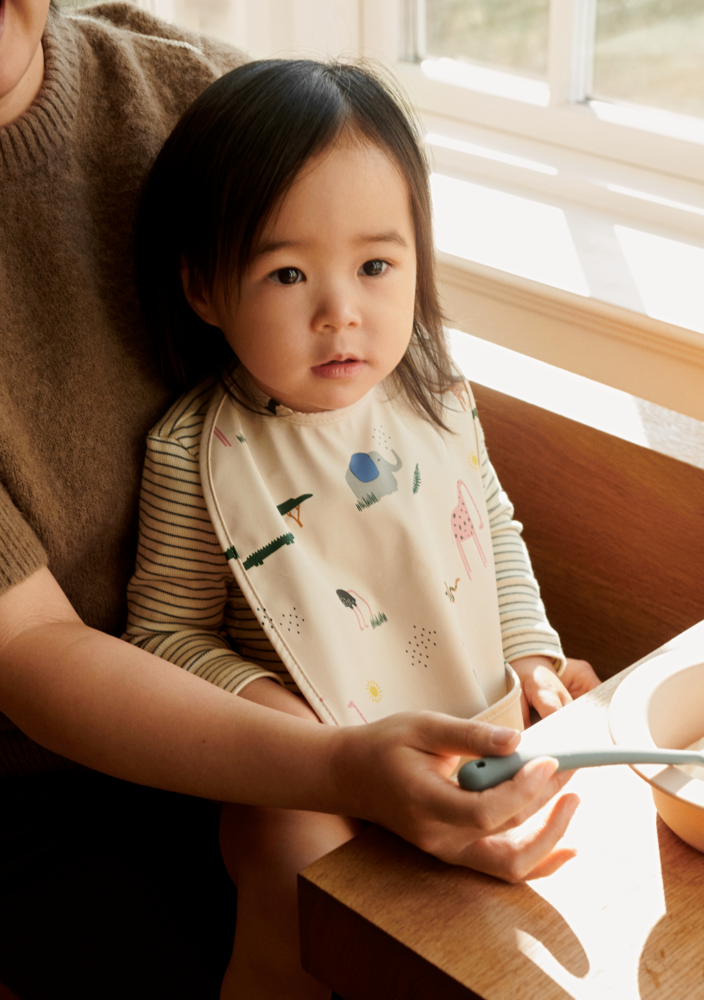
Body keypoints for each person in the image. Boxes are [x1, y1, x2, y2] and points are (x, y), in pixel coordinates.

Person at [126, 59, 600, 999]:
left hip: (471, 725)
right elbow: (162, 637)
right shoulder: (196, 452)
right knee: (286, 854)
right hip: (313, 777)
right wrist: (288, 725)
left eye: (376, 266)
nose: (340, 312)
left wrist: (533, 652)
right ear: (205, 290)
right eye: (287, 273)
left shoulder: (435, 397)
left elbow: (486, 527)